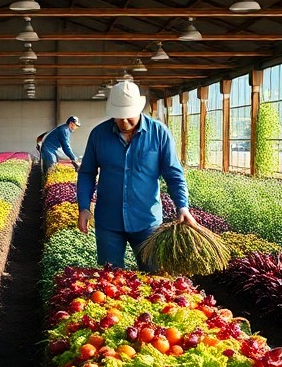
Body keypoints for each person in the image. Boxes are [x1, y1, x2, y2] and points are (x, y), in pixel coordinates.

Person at [76, 81, 196, 271]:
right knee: (110, 278)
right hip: (109, 222)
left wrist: (182, 206)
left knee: (154, 275)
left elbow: (174, 174)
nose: (124, 122)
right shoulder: (99, 135)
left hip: (147, 222)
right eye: (119, 117)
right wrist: (83, 207)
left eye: (128, 116)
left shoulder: (159, 134)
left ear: (139, 109)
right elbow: (87, 173)